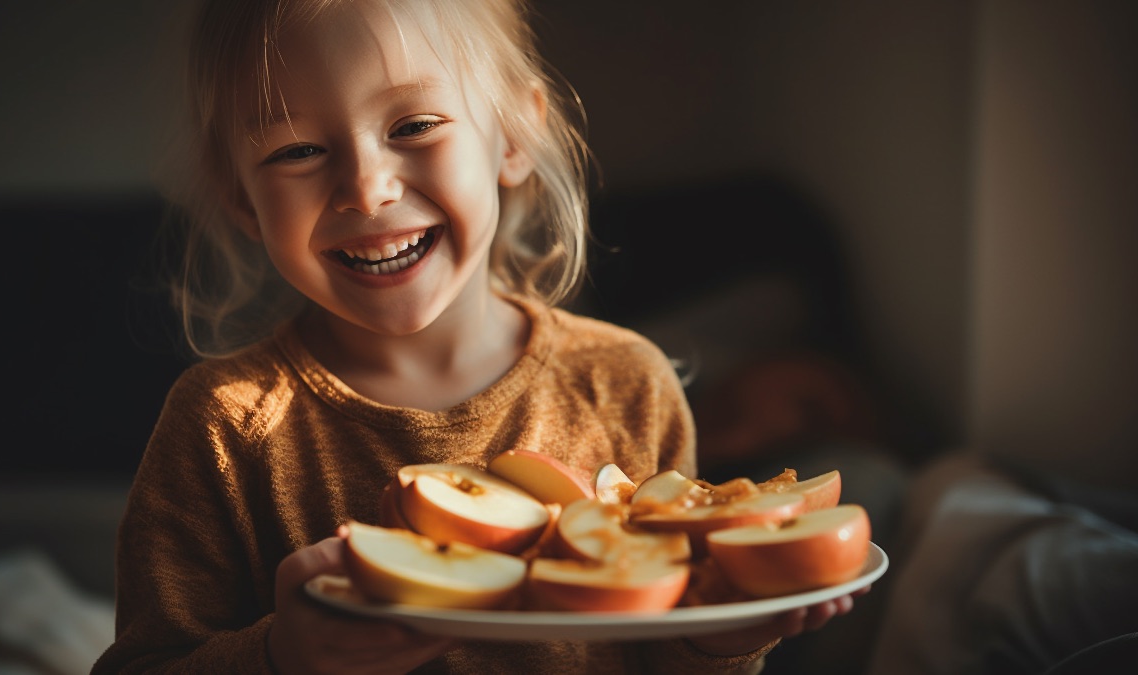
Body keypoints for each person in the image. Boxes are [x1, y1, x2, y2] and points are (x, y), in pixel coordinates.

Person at [92, 0, 865, 672]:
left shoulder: (627, 383)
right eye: (297, 150)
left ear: (513, 135)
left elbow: (670, 651)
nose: (367, 187)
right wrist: (283, 656)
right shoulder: (221, 425)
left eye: (415, 124)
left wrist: (731, 630)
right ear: (239, 196)